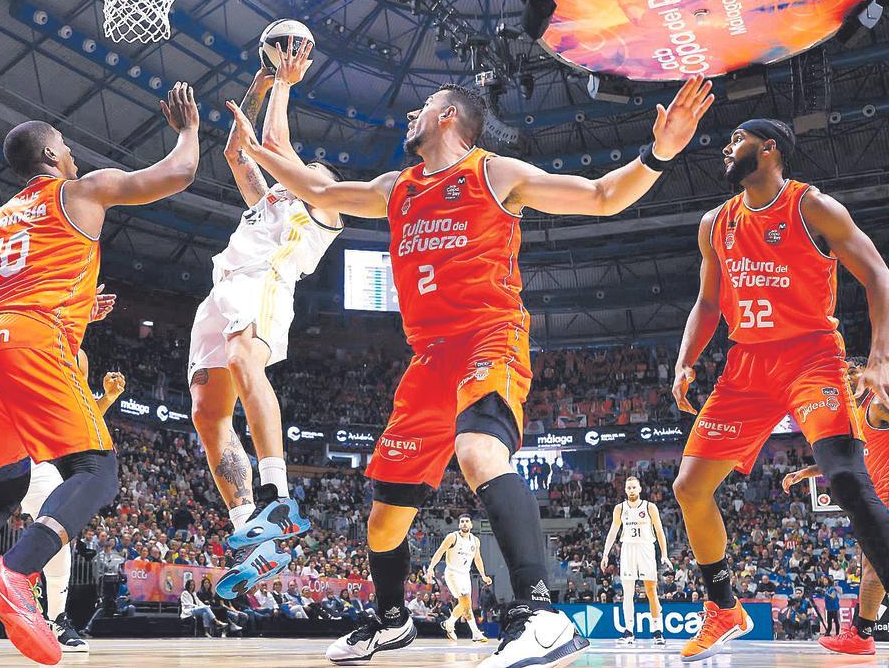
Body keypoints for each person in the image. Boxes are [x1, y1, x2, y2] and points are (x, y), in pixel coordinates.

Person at [227, 39, 713, 666]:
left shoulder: (492, 172)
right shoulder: (393, 188)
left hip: (489, 336)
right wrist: (262, 137)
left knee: (479, 449)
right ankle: (390, 619)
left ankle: (539, 614)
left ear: (449, 117)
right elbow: (317, 191)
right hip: (428, 359)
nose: (409, 117)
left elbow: (599, 196)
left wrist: (659, 153)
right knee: (383, 520)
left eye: (420, 108)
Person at [0, 83, 200, 667]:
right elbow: (176, 174)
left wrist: (68, 303)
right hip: (33, 340)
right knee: (98, 469)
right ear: (49, 157)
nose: (72, 153)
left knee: (0, 494)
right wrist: (188, 130)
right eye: (64, 145)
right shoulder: (80, 190)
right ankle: (15, 574)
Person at [671, 118, 889, 661]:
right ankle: (723, 609)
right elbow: (707, 303)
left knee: (843, 474)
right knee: (689, 487)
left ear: (768, 149)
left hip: (811, 356)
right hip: (746, 367)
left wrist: (880, 359)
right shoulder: (714, 223)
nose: (726, 145)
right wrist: (684, 360)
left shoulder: (810, 206)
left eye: (736, 138)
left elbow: (878, 275)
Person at [190, 55, 338, 598]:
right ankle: (254, 535)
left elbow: (274, 149)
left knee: (242, 358)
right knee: (207, 415)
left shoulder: (326, 206)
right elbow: (236, 150)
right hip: (221, 287)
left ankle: (278, 492)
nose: (307, 171)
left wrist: (284, 84)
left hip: (265, 280)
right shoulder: (268, 200)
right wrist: (260, 78)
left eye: (312, 169)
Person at [0, 358, 125, 651]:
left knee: (60, 527)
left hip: (37, 455)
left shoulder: (76, 353)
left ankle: (56, 620)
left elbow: (76, 419)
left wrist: (106, 399)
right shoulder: (25, 331)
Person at [783, 357, 885, 655]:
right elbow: (845, 460)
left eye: (844, 378)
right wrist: (805, 472)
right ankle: (862, 635)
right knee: (873, 566)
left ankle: (862, 634)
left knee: (876, 565)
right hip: (877, 497)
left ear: (856, 373)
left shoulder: (877, 402)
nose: (840, 385)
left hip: (885, 496)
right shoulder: (854, 416)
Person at [600, 475, 674, 646]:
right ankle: (628, 632)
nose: (631, 490)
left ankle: (657, 631)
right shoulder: (619, 508)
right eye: (628, 488)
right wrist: (605, 554)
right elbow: (613, 532)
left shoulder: (650, 507)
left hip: (646, 548)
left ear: (640, 489)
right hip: (628, 549)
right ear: (625, 490)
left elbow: (660, 532)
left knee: (651, 591)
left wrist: (664, 554)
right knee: (628, 592)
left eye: (634, 487)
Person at [424, 513, 489, 643]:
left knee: (466, 605)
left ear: (471, 524)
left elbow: (477, 558)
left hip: (465, 574)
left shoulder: (475, 540)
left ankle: (449, 624)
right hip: (452, 573)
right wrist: (431, 568)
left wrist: (483, 575)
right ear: (459, 524)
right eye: (462, 521)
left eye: (467, 521)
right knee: (465, 601)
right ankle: (475, 633)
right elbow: (440, 551)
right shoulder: (452, 537)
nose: (464, 523)